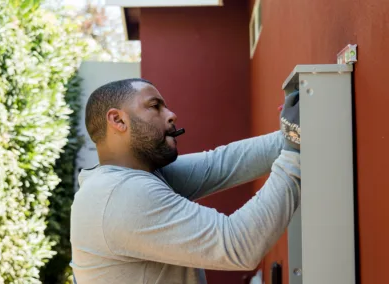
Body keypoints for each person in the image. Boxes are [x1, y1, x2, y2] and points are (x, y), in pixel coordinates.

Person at [70, 78, 301, 284]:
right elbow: (238, 245)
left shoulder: (134, 175)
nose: (171, 115)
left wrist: (294, 128)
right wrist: (293, 147)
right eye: (154, 106)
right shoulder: (119, 195)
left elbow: (222, 164)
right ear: (118, 120)